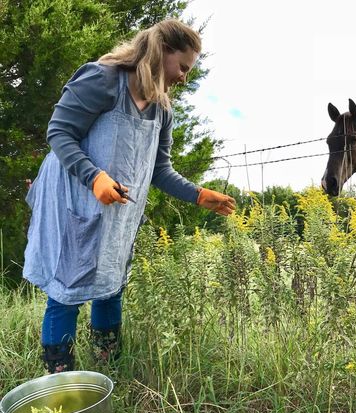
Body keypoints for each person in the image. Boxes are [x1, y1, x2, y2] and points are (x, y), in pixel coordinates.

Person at [23, 19, 236, 374]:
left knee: (110, 283)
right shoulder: (102, 80)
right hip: (72, 200)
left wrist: (197, 195)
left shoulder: (162, 109)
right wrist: (94, 178)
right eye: (182, 66)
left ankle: (109, 369)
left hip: (117, 212)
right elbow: (59, 133)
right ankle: (60, 380)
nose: (184, 76)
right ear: (163, 51)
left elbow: (159, 170)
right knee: (66, 288)